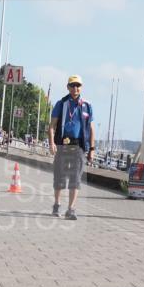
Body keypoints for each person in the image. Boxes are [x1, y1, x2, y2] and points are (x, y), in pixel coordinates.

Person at [48, 75, 94, 220]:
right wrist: (52, 143)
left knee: (76, 178)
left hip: (79, 146)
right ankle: (57, 205)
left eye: (78, 85)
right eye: (72, 85)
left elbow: (91, 128)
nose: (75, 88)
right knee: (60, 176)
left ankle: (71, 209)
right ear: (67, 87)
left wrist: (92, 149)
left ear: (81, 87)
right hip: (62, 145)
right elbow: (52, 126)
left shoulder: (86, 105)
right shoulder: (61, 104)